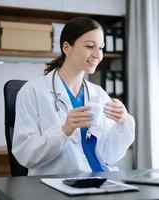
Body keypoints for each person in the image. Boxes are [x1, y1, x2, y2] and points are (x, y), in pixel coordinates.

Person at [12, 17, 135, 176]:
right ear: (66, 48)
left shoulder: (99, 94)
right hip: (58, 183)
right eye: (90, 46)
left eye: (101, 47)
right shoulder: (32, 91)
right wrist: (64, 130)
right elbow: (26, 154)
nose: (98, 54)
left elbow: (109, 154)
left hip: (100, 179)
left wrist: (124, 122)